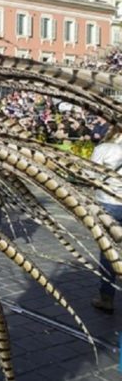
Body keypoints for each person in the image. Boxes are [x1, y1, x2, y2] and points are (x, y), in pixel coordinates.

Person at [90, 126, 122, 313]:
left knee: (108, 251)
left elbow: (91, 175)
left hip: (108, 203)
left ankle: (107, 297)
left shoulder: (103, 149)